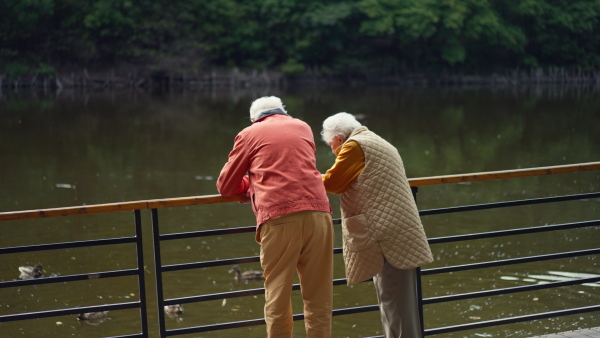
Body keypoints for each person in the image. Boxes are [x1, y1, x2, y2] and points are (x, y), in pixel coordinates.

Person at [217, 96, 334, 338]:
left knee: (278, 296)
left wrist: (249, 185)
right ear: (282, 111)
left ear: (254, 118)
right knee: (319, 296)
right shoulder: (303, 127)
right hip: (319, 214)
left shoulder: (249, 133)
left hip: (280, 217)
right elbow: (294, 168)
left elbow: (226, 186)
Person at [320, 112, 433, 338]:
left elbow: (332, 183)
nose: (333, 152)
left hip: (386, 236)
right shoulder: (377, 141)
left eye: (332, 146)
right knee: (403, 304)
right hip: (400, 231)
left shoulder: (354, 147)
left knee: (394, 305)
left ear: (340, 139)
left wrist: (300, 178)